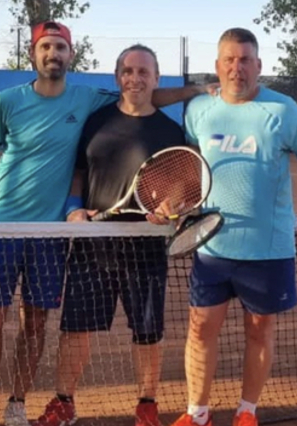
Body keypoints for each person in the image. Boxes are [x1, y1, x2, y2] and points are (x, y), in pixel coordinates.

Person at [0, 22, 209, 426]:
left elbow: (166, 143)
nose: (53, 53)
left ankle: (27, 403)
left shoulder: (127, 114)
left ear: (70, 54)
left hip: (97, 239)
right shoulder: (37, 104)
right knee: (9, 321)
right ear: (34, 54)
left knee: (48, 323)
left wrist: (193, 91)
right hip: (36, 232)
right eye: (46, 46)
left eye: (60, 47)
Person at [33, 44, 185, 426]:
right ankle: (64, 404)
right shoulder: (95, 121)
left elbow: (180, 182)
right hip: (92, 244)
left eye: (144, 72)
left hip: (145, 247)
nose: (135, 79)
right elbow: (79, 172)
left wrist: (169, 206)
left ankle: (147, 407)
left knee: (147, 331)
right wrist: (73, 208)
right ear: (118, 77)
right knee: (75, 328)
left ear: (156, 78)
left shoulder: (170, 130)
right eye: (128, 71)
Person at [171, 28, 297, 426]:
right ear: (218, 66)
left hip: (267, 250)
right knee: (200, 329)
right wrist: (180, 200)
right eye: (229, 60)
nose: (237, 68)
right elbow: (191, 161)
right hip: (212, 247)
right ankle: (197, 413)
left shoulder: (283, 111)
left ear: (259, 66)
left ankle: (246, 411)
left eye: (245, 60)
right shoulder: (200, 109)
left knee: (260, 330)